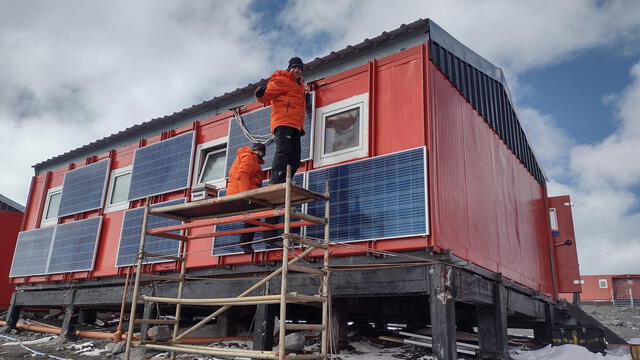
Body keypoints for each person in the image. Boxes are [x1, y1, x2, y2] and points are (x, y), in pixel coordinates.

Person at [255, 57, 306, 245]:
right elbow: (266, 96)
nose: (297, 71)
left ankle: (286, 177)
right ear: (289, 68)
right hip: (283, 121)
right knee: (283, 152)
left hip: (296, 125)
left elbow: (300, 101)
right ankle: (276, 178)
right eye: (295, 68)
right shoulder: (281, 79)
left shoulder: (301, 86)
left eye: (300, 68)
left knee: (296, 158)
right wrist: (260, 94)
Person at [226, 143, 266, 254]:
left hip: (239, 191)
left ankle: (245, 242)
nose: (260, 154)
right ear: (255, 151)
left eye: (262, 152)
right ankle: (245, 242)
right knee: (255, 216)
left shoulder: (249, 157)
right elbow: (243, 175)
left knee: (253, 217)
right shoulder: (250, 157)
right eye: (259, 151)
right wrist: (245, 195)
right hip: (241, 192)